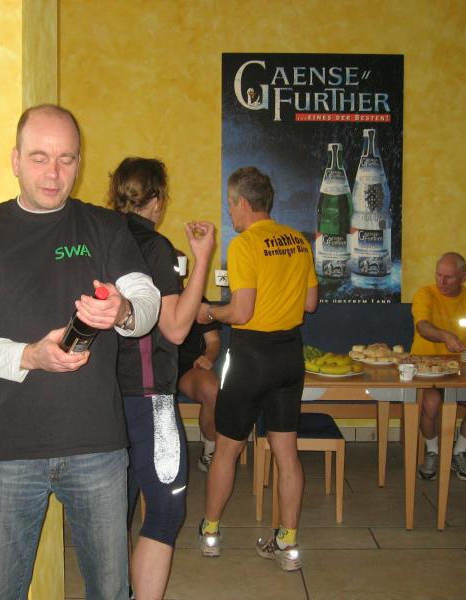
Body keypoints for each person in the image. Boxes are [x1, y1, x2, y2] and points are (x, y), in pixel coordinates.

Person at [0, 105, 160, 600]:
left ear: (79, 163)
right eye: (39, 158)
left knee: (110, 591)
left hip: (97, 445)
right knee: (2, 593)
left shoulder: (105, 227)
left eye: (66, 159)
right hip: (9, 448)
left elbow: (147, 304)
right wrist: (29, 356)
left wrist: (122, 310)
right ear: (15, 160)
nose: (54, 173)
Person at [197, 166, 318, 571]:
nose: (230, 212)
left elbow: (241, 311)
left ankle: (210, 533)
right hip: (289, 355)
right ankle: (288, 544)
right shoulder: (298, 241)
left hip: (250, 357)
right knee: (286, 453)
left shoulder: (244, 244)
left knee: (227, 449)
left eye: (230, 204)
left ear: (244, 203)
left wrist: (210, 312)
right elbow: (310, 303)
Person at [107, 157, 214, 600]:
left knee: (117, 510)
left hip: (103, 396)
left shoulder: (100, 236)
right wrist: (202, 259)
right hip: (149, 396)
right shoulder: (155, 247)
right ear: (156, 199)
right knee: (165, 511)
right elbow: (175, 328)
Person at [411, 252, 466, 481]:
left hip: (462, 373)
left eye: (449, 277)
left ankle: (459, 452)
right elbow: (422, 327)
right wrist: (445, 336)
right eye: (439, 275)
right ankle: (432, 451)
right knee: (431, 404)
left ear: (464, 277)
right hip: (425, 370)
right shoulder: (425, 294)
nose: (442, 281)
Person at [174, 251, 223, 472]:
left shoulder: (199, 302)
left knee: (212, 390)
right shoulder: (148, 300)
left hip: (188, 369)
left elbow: (213, 341)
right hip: (154, 369)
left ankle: (210, 450)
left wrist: (208, 357)